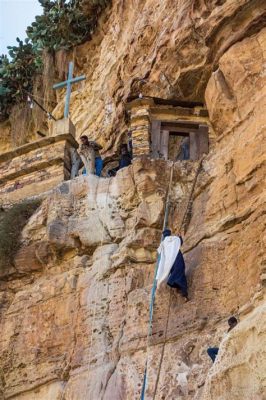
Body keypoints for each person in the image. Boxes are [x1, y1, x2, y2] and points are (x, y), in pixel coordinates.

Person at [156, 229, 188, 300]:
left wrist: (159, 277)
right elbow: (180, 242)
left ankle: (178, 286)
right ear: (169, 233)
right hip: (177, 258)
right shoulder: (174, 238)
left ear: (164, 236)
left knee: (175, 273)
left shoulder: (163, 244)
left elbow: (162, 257)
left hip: (170, 263)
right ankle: (184, 293)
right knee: (180, 272)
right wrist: (179, 237)